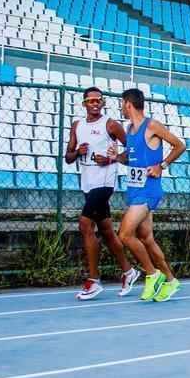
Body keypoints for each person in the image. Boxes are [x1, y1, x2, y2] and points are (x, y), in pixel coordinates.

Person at [64, 87, 138, 300]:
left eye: (99, 100)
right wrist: (78, 152)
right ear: (84, 103)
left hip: (104, 182)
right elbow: (68, 157)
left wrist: (111, 159)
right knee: (106, 230)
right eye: (91, 101)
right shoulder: (77, 126)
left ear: (103, 103)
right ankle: (128, 271)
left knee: (85, 224)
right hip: (87, 182)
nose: (95, 104)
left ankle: (94, 280)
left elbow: (133, 150)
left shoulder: (111, 124)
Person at [115, 88, 187, 302]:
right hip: (134, 189)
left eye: (122, 104)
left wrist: (162, 165)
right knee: (146, 238)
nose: (121, 108)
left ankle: (152, 274)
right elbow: (133, 158)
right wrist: (117, 158)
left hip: (148, 190)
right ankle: (171, 280)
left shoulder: (152, 125)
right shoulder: (129, 129)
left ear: (128, 104)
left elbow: (180, 145)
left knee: (125, 235)